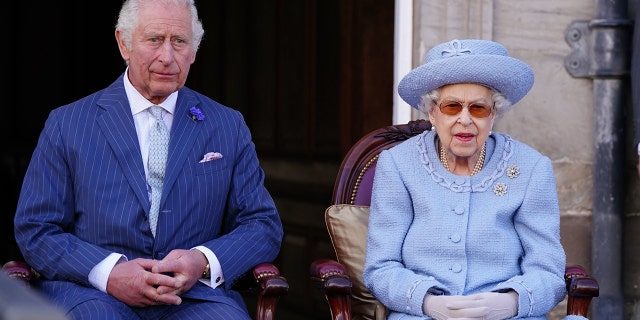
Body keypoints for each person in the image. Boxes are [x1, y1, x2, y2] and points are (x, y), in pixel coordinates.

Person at [13, 0, 283, 319]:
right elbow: (36, 228)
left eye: (179, 42)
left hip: (195, 298)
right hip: (92, 295)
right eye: (154, 40)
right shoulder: (67, 124)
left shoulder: (227, 126)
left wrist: (202, 260)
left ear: (194, 51)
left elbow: (262, 224)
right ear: (123, 43)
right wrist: (109, 272)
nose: (167, 57)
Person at [362, 39, 567, 320]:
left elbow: (548, 270)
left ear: (494, 114)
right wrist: (428, 303)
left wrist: (509, 303)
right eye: (452, 107)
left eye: (479, 108)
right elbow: (380, 267)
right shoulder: (397, 164)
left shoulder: (532, 168)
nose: (465, 120)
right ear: (432, 112)